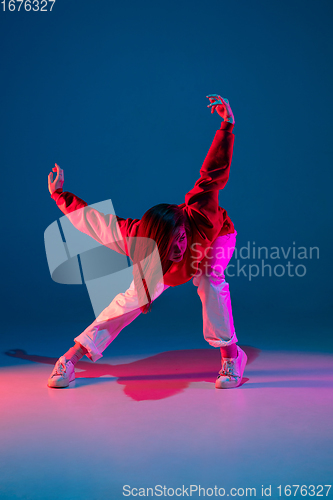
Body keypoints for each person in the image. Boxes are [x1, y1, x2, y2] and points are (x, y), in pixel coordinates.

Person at [47, 94, 247, 390]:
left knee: (208, 276)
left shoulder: (199, 213)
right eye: (172, 244)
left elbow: (214, 172)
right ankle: (71, 359)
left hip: (217, 238)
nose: (180, 247)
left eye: (181, 238)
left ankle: (232, 356)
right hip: (162, 265)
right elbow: (95, 223)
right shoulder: (137, 239)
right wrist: (59, 195)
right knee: (130, 299)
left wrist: (227, 125)